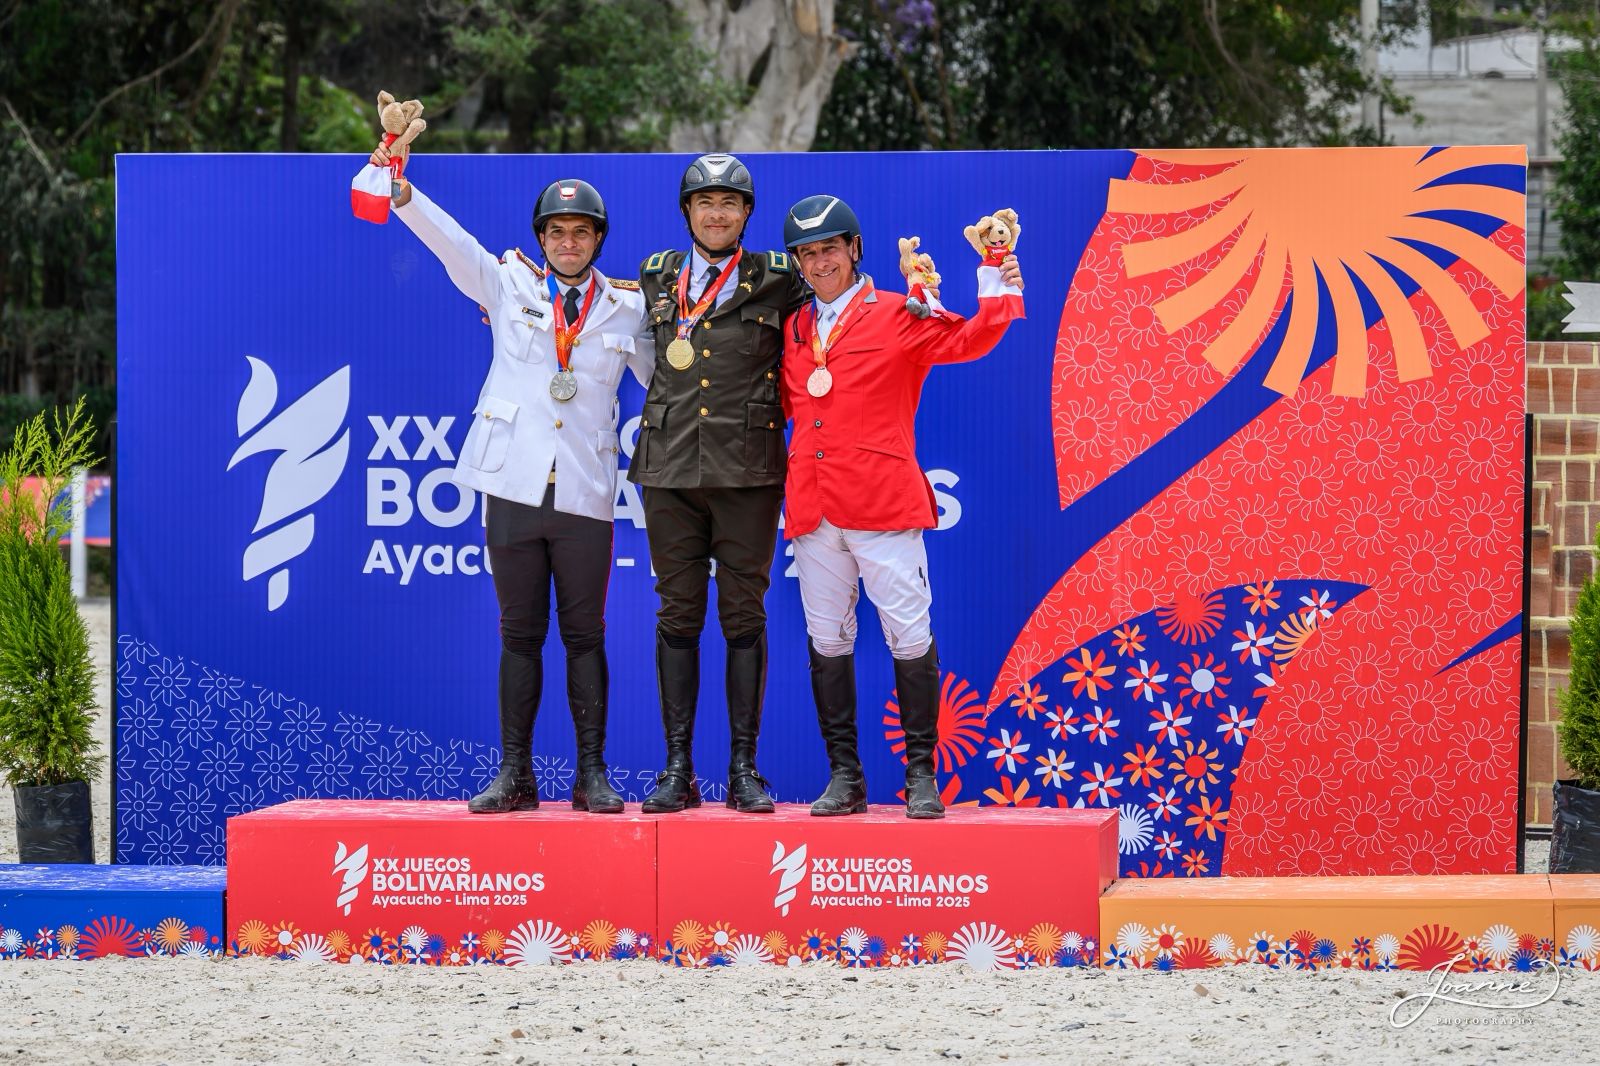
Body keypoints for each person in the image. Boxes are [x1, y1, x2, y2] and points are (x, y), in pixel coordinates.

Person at [371, 136, 654, 814]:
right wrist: (402, 192)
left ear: (598, 239)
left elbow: (666, 378)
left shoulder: (629, 307)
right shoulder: (507, 284)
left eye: (580, 232)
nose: (568, 243)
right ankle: (515, 774)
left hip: (585, 492)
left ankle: (591, 775)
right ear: (541, 237)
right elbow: (452, 245)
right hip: (513, 489)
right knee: (519, 634)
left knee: (585, 636)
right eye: (556, 232)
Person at [778, 193, 1025, 819]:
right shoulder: (793, 327)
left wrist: (995, 278)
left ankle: (920, 774)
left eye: (830, 249)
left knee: (909, 635)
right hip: (812, 505)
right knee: (826, 639)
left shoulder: (899, 310)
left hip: (883, 501)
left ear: (854, 249)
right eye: (808, 254)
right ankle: (845, 777)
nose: (820, 262)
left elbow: (969, 340)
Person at [630, 154, 808, 814]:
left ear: (747, 214)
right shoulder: (656, 274)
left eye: (730, 202)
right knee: (677, 615)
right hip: (669, 468)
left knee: (744, 617)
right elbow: (598, 314)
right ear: (687, 212)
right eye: (705, 202)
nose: (717, 213)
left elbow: (838, 309)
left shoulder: (778, 277)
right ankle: (677, 768)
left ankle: (743, 769)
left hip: (747, 472)